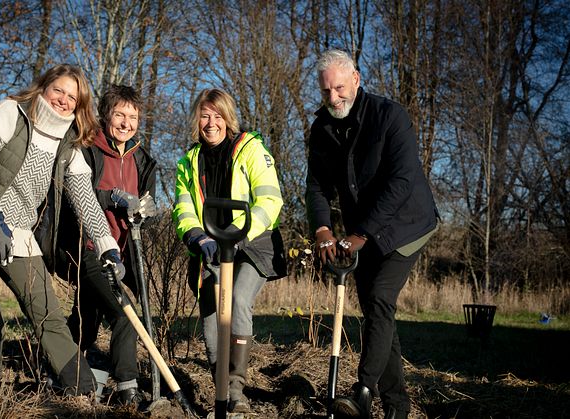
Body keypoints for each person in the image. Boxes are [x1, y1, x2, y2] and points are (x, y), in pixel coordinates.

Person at [0, 64, 125, 396]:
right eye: (58, 90)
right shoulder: (11, 112)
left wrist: (107, 245)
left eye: (72, 97)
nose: (63, 100)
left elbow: (86, 201)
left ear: (80, 105)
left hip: (18, 233)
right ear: (43, 88)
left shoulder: (69, 145)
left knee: (48, 313)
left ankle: (83, 391)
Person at [305, 49, 439, 419]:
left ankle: (363, 392)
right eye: (326, 91)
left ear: (357, 80)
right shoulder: (322, 128)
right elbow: (316, 187)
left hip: (407, 223)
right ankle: (397, 407)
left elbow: (402, 181)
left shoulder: (389, 116)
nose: (334, 98)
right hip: (362, 231)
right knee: (378, 315)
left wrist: (362, 232)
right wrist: (322, 229)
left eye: (340, 88)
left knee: (380, 297)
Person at [172, 88, 287, 414]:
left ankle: (236, 392)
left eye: (217, 115)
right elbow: (184, 210)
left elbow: (270, 199)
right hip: (211, 246)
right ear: (197, 119)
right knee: (211, 318)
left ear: (228, 118)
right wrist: (199, 238)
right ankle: (220, 391)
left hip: (253, 243)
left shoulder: (250, 149)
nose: (211, 123)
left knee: (236, 299)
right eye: (205, 115)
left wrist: (240, 236)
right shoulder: (189, 162)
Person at [53, 84, 157, 405]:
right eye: (120, 115)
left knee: (88, 314)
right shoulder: (88, 148)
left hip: (123, 252)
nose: (126, 123)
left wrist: (145, 211)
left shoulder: (142, 159)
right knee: (125, 313)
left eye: (133, 117)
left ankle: (63, 372)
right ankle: (127, 387)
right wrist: (111, 198)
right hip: (88, 247)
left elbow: (145, 206)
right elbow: (74, 193)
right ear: (105, 114)